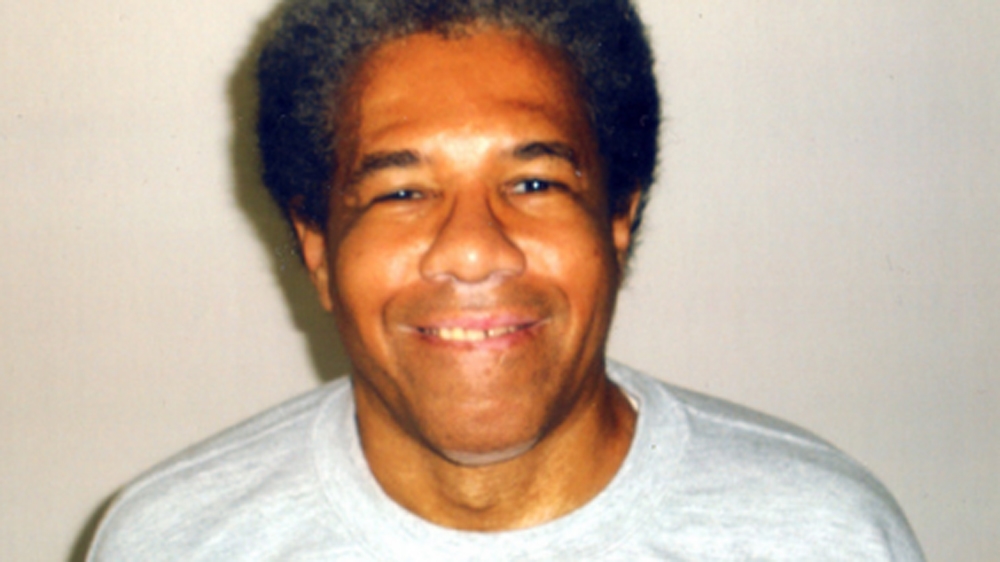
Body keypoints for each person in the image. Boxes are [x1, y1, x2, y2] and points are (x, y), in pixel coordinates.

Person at [87, 0, 925, 559]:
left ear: (618, 219)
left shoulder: (823, 537)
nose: (473, 250)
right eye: (401, 192)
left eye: (533, 182)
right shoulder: (174, 542)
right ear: (316, 248)